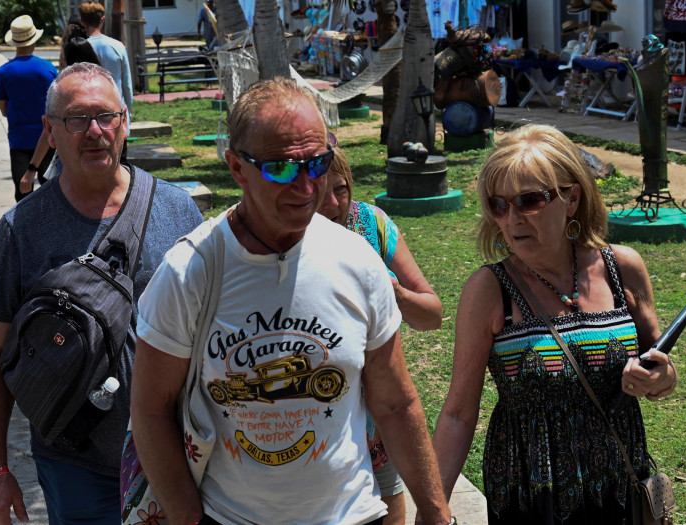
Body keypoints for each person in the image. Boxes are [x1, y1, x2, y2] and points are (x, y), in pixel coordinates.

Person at [131, 78, 455, 525]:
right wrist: (191, 519)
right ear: (236, 167)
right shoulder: (191, 271)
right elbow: (150, 411)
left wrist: (437, 512)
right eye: (281, 169)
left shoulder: (357, 260)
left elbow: (396, 404)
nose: (306, 188)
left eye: (317, 163)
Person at [0, 62, 203, 525]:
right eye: (77, 119)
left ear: (125, 122)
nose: (94, 131)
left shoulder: (178, 210)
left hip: (182, 452)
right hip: (75, 465)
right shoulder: (22, 229)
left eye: (105, 117)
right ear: (50, 131)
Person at [432, 124, 678, 524]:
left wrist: (661, 377)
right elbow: (459, 413)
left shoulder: (622, 269)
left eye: (529, 200)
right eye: (498, 205)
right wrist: (432, 508)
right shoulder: (490, 289)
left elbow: (659, 369)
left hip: (619, 488)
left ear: (572, 198)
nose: (511, 219)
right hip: (531, 497)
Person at [318, 146, 442, 525]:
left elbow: (432, 315)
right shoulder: (282, 242)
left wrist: (396, 294)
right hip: (318, 422)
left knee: (389, 509)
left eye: (341, 189)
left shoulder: (372, 224)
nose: (332, 203)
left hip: (378, 418)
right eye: (320, 191)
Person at [22, 34, 101, 195]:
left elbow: (48, 133)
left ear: (66, 59)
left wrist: (32, 168)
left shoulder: (63, 90)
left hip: (70, 164)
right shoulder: (104, 84)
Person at [0, 15, 58, 202]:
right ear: (34, 40)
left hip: (19, 140)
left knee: (23, 196)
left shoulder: (3, 72)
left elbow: (4, 110)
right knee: (53, 195)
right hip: (48, 139)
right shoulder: (48, 68)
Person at [79, 2, 133, 110]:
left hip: (90, 111)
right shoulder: (118, 46)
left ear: (82, 21)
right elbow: (127, 84)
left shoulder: (79, 48)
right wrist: (128, 111)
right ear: (102, 19)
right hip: (117, 109)